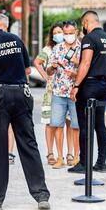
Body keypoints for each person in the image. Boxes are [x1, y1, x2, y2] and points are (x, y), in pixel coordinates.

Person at [0, 13, 51, 210]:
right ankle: (41, 195)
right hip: (21, 93)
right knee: (28, 144)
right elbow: (28, 70)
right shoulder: (15, 39)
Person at [69, 11, 106, 174]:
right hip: (103, 84)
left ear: (86, 22)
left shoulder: (89, 38)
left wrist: (76, 85)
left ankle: (84, 164)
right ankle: (101, 163)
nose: (83, 27)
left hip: (90, 85)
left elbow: (86, 63)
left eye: (83, 24)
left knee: (85, 125)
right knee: (99, 124)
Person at [47, 21, 81, 169]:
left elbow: (87, 69)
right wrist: (52, 67)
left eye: (70, 33)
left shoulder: (82, 48)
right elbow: (48, 70)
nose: (67, 36)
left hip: (75, 92)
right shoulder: (57, 48)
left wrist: (76, 67)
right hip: (58, 92)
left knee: (76, 126)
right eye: (65, 34)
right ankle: (59, 157)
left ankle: (76, 157)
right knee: (57, 125)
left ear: (77, 32)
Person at [34, 22, 63, 165]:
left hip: (66, 90)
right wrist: (45, 77)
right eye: (55, 32)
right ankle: (50, 153)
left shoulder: (70, 48)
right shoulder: (48, 49)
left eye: (60, 31)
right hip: (51, 90)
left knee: (64, 123)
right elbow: (37, 62)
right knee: (49, 122)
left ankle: (64, 154)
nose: (58, 34)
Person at [0, 13, 18, 165]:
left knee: (8, 123)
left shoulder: (15, 42)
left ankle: (8, 152)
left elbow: (25, 69)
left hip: (10, 87)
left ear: (5, 26)